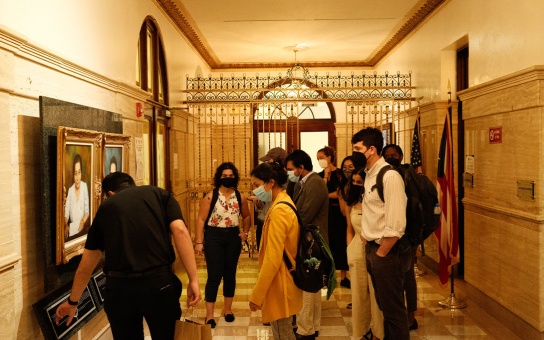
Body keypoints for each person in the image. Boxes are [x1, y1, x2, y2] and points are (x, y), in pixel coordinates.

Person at [55, 172, 201, 339]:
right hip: (159, 284)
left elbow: (85, 266)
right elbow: (180, 231)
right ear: (132, 184)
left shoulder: (107, 207)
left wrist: (73, 302)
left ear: (109, 193)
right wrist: (193, 279)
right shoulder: (160, 195)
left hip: (119, 289)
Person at [352, 127, 411, 339]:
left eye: (358, 149)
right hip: (373, 248)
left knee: (393, 310)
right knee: (384, 307)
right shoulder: (369, 175)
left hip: (387, 252)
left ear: (372, 149)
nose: (355, 153)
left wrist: (381, 253)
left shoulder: (390, 176)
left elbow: (396, 223)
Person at [248, 162, 303, 340]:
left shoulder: (280, 211)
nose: (255, 191)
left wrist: (257, 294)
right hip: (283, 280)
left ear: (271, 183)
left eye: (257, 185)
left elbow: (272, 258)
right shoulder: (283, 202)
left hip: (281, 282)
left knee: (282, 334)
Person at [194, 162, 251, 328]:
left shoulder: (240, 196)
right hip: (214, 237)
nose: (227, 178)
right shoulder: (211, 196)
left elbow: (246, 216)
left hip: (233, 237)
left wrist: (245, 232)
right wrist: (199, 242)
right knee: (214, 275)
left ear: (235, 177)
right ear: (219, 177)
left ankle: (228, 310)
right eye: (224, 176)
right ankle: (210, 315)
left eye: (230, 176)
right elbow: (201, 220)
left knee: (230, 274)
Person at [285, 150, 329, 340]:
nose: (289, 173)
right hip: (306, 240)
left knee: (309, 284)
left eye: (290, 169)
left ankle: (306, 329)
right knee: (312, 285)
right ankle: (312, 325)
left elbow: (305, 215)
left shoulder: (315, 184)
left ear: (301, 168)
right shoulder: (301, 183)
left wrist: (286, 229)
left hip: (313, 242)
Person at [342, 167, 384, 340]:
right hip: (357, 248)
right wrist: (350, 249)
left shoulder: (377, 200)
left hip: (375, 247)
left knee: (376, 292)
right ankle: (361, 331)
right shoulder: (351, 201)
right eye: (354, 182)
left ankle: (378, 332)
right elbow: (349, 228)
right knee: (358, 294)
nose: (356, 185)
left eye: (360, 182)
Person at [382, 143, 419, 331]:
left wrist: (416, 238)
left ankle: (410, 316)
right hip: (391, 235)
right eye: (387, 155)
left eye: (394, 155)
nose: (391, 157)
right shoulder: (385, 176)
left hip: (407, 237)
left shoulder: (409, 177)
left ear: (401, 156)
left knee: (407, 276)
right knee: (395, 278)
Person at [317, 146, 350, 288]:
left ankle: (344, 277)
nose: (320, 160)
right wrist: (325, 176)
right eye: (318, 158)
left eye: (321, 158)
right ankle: (327, 275)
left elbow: (340, 193)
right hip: (325, 214)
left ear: (329, 157)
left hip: (339, 213)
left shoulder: (340, 174)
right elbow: (320, 192)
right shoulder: (319, 175)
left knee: (341, 244)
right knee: (326, 244)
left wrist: (328, 195)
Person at [250, 147, 288, 251]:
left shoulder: (286, 182)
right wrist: (259, 203)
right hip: (264, 220)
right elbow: (266, 203)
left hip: (275, 222)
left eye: (268, 160)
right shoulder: (267, 186)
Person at [64, 153, 89, 240]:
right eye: (75, 173)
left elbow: (87, 211)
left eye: (79, 173)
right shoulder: (70, 191)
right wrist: (66, 225)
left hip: (83, 231)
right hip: (72, 231)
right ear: (73, 175)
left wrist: (82, 221)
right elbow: (66, 212)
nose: (77, 177)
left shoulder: (84, 186)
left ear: (81, 173)